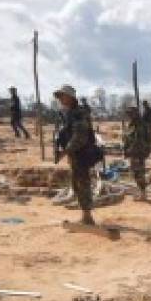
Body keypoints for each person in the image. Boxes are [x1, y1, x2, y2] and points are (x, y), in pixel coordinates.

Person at [53, 84, 100, 226]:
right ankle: (85, 216)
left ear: (71, 97)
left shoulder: (78, 114)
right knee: (77, 184)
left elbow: (80, 137)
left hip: (82, 155)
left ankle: (87, 217)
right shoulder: (69, 113)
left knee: (82, 184)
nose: (60, 99)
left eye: (62, 96)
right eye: (59, 96)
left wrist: (64, 152)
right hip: (76, 155)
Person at [121, 104, 151, 200]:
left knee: (138, 173)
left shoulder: (142, 124)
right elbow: (127, 139)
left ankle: (143, 193)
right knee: (136, 173)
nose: (129, 116)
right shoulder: (131, 125)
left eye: (131, 114)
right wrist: (126, 150)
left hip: (138, 152)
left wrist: (146, 108)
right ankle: (142, 192)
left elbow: (149, 116)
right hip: (133, 152)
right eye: (129, 114)